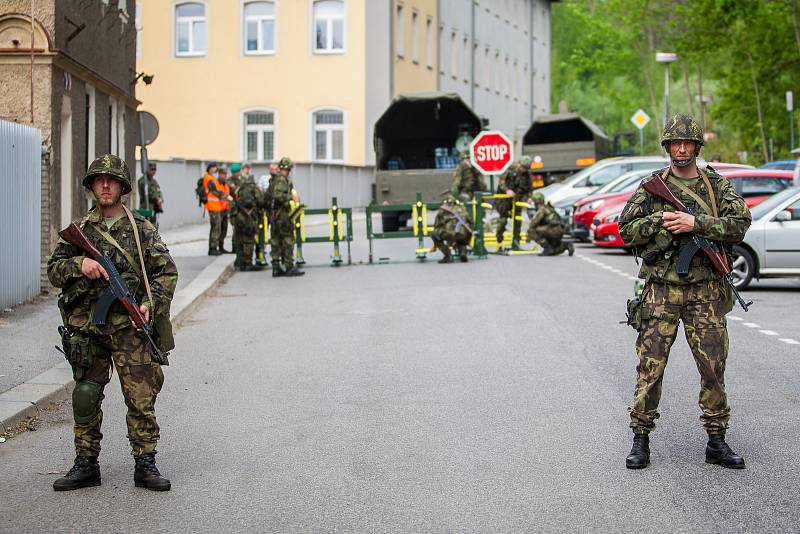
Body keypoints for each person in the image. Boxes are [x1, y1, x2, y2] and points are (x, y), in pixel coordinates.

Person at [619, 114, 752, 470]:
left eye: (688, 144)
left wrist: (697, 223)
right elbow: (625, 231)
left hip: (705, 293)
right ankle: (640, 438)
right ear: (667, 147)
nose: (682, 149)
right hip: (661, 291)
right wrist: (661, 222)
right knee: (651, 368)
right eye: (676, 143)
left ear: (696, 147)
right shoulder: (651, 187)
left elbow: (740, 224)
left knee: (713, 368)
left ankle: (716, 440)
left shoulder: (715, 186)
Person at [47, 154, 177, 492]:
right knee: (86, 395)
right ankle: (86, 463)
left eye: (112, 180)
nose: (105, 185)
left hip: (129, 330)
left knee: (140, 397)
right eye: (99, 180)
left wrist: (151, 303)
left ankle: (145, 463)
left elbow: (166, 272)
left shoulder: (141, 229)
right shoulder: (80, 230)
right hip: (87, 329)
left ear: (122, 186)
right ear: (91, 186)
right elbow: (54, 271)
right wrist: (80, 265)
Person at [266, 157, 304, 277]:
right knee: (288, 240)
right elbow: (278, 195)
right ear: (287, 169)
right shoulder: (282, 180)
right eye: (289, 169)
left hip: (274, 215)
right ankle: (289, 267)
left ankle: (276, 268)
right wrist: (291, 198)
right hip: (282, 216)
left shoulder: (274, 180)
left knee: (276, 241)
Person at [495, 156, 534, 249]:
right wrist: (507, 190)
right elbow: (501, 182)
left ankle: (516, 242)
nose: (523, 170)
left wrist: (529, 197)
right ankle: (499, 240)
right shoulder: (510, 169)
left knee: (517, 220)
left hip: (517, 199)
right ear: (519, 164)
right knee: (503, 220)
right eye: (522, 167)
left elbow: (529, 187)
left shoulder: (527, 174)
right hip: (504, 199)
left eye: (525, 168)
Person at [232, 169, 264, 271]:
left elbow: (234, 201)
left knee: (239, 239)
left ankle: (240, 262)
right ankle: (248, 263)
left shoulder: (239, 188)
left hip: (238, 216)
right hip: (249, 216)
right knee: (249, 240)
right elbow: (260, 201)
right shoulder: (254, 188)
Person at [430, 196, 471, 263]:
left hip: (448, 234)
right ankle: (462, 253)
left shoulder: (442, 210)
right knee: (460, 236)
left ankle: (448, 255)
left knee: (434, 234)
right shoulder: (462, 208)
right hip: (463, 235)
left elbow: (437, 226)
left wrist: (435, 245)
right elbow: (470, 221)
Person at [202, 164, 232, 255]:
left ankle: (220, 247)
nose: (223, 175)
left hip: (221, 208)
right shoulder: (209, 178)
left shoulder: (221, 182)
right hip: (213, 207)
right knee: (216, 228)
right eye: (214, 168)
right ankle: (213, 248)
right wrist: (226, 196)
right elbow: (215, 191)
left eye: (225, 174)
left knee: (222, 228)